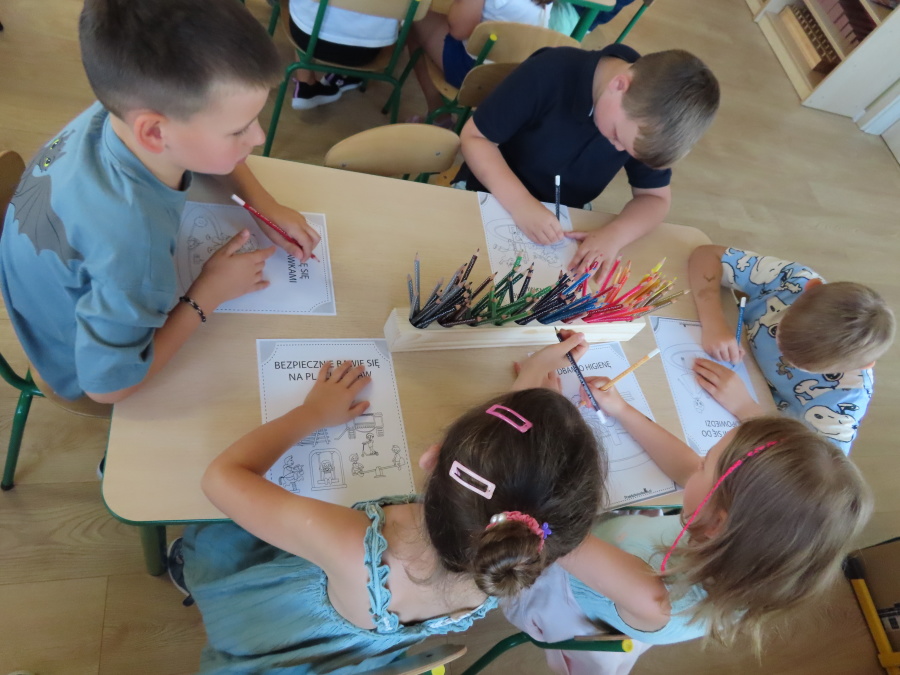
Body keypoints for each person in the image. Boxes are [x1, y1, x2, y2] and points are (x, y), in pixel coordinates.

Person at [172, 333, 607, 673]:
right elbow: (514, 490)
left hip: (271, 625)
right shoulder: (515, 557)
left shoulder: (354, 543)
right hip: (360, 650)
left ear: (431, 458)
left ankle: (182, 571)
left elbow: (221, 479)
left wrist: (313, 413)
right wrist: (533, 397)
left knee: (215, 539)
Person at [0, 0, 320, 405]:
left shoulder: (119, 106)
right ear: (153, 132)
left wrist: (262, 203)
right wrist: (208, 293)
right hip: (71, 359)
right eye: (238, 130)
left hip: (40, 283)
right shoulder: (132, 247)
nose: (258, 138)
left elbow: (197, 150)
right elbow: (107, 389)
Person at [502, 376, 873, 675]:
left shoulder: (651, 596)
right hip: (603, 557)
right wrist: (622, 410)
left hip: (553, 583)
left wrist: (546, 424)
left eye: (706, 464)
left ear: (717, 524)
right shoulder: (742, 553)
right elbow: (686, 466)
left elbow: (548, 529)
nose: (697, 464)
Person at [455, 46, 719, 278]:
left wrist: (614, 235)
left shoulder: (648, 120)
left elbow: (656, 198)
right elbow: (475, 138)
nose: (618, 149)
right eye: (616, 136)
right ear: (619, 85)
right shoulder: (549, 72)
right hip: (487, 193)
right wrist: (521, 204)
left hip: (562, 218)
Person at [688, 245, 895, 454]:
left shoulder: (847, 396)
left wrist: (746, 408)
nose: (784, 357)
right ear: (810, 288)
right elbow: (708, 255)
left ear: (863, 366)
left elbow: (815, 464)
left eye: (803, 366)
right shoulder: (794, 281)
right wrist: (713, 321)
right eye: (780, 335)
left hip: (752, 426)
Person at [405, 0, 553, 125]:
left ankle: (439, 117)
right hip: (517, 79)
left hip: (476, 75)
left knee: (417, 15)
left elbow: (458, 31)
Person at [287, 0, 399, 109]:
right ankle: (344, 74)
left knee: (302, 14)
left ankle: (305, 83)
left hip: (307, 39)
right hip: (363, 51)